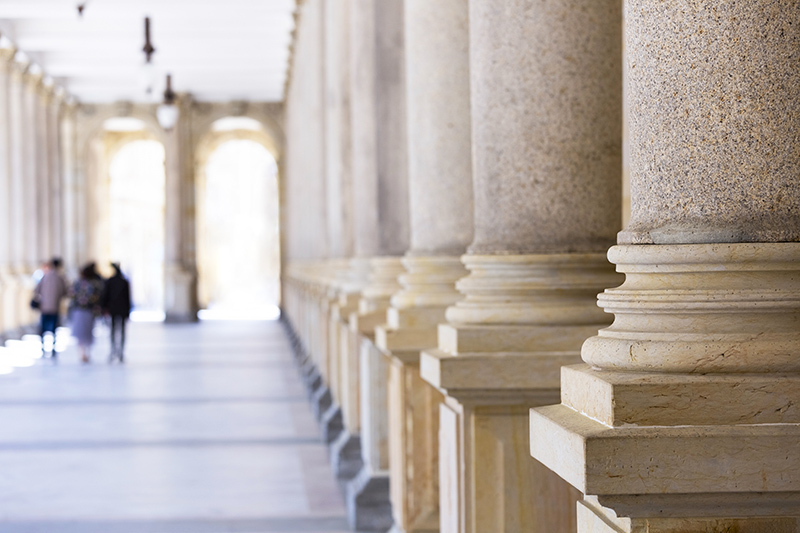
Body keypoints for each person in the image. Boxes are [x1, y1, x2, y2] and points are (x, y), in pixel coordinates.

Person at [69, 262, 105, 364]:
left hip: (79, 310)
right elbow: (97, 296)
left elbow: (72, 295)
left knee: (80, 332)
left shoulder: (77, 283)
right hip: (89, 311)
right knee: (87, 332)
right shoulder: (93, 284)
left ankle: (82, 353)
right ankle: (86, 353)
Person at [33, 258, 68, 358]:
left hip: (44, 307)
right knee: (53, 328)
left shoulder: (45, 276)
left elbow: (37, 290)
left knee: (43, 328)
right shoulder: (60, 278)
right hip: (55, 307)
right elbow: (64, 292)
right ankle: (52, 349)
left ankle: (43, 348)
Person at [101, 262, 131, 363]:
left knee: (113, 331)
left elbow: (105, 297)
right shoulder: (124, 282)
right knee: (121, 331)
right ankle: (120, 351)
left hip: (113, 310)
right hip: (121, 310)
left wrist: (103, 309)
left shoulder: (110, 281)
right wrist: (128, 312)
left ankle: (114, 350)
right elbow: (128, 299)